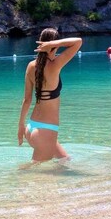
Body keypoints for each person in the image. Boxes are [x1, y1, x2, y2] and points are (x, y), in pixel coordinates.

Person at [17, 28, 82, 164]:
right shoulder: (55, 65)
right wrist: (53, 44)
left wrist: (21, 127)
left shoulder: (30, 66)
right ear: (54, 45)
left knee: (64, 160)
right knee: (32, 171)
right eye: (56, 45)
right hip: (45, 130)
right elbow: (78, 42)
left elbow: (27, 100)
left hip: (31, 127)